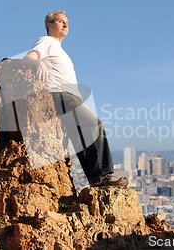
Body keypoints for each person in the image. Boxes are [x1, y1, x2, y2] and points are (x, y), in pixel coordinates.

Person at [21, 10, 128, 188]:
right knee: (95, 125)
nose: (65, 25)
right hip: (60, 95)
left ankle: (96, 180)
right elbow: (28, 58)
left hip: (71, 97)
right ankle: (104, 175)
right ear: (49, 24)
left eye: (67, 23)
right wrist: (38, 62)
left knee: (82, 139)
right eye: (61, 21)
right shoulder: (46, 41)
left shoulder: (60, 50)